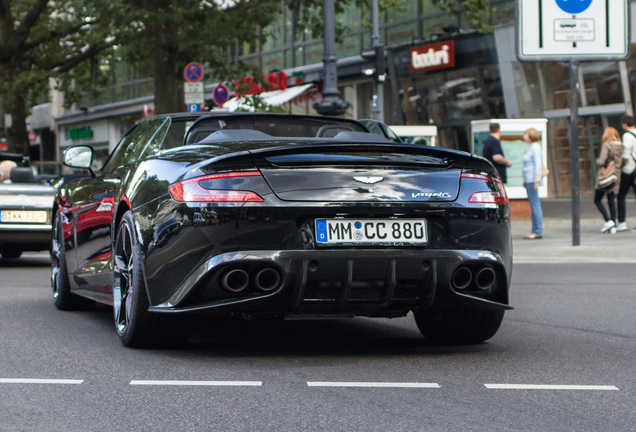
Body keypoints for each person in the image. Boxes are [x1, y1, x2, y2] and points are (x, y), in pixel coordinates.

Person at [594, 127, 623, 234]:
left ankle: (608, 220)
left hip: (606, 175)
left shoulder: (607, 145)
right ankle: (613, 224)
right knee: (611, 199)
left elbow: (601, 160)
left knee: (597, 199)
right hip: (616, 176)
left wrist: (597, 161)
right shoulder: (620, 146)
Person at [522, 128, 543, 239]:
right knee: (533, 205)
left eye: (525, 134)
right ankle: (536, 229)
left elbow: (538, 164)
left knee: (535, 205)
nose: (524, 136)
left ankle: (537, 230)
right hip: (529, 180)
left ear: (530, 135)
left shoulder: (535, 147)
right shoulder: (532, 147)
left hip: (532, 180)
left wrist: (536, 181)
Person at [616, 115, 636, 231]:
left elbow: (626, 154)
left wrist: (620, 164)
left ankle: (622, 221)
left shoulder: (627, 135)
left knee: (621, 195)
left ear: (625, 124)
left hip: (629, 169)